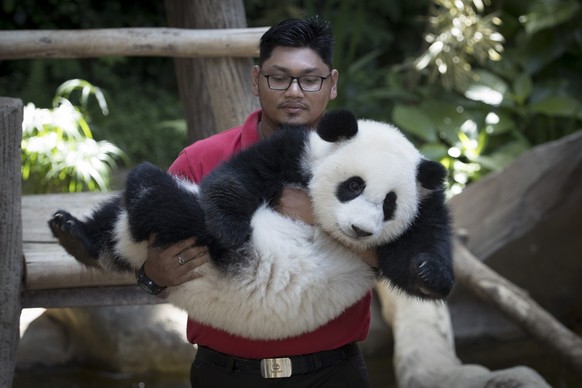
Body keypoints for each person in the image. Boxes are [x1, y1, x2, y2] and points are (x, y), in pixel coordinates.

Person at [140, 16, 374, 388]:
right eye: (278, 78)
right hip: (225, 374)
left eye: (310, 79)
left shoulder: (369, 164)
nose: (294, 91)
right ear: (255, 81)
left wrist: (321, 216)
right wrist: (151, 276)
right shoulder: (200, 160)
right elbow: (147, 261)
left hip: (333, 373)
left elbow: (404, 260)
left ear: (331, 84)